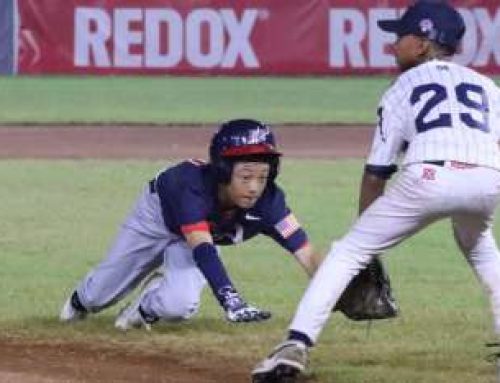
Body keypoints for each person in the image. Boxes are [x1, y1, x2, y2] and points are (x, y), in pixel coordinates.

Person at [251, 1, 500, 382]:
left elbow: (376, 173)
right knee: (481, 247)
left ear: (421, 43)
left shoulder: (402, 86)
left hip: (428, 177)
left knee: (348, 251)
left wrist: (366, 236)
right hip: (487, 178)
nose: (393, 44)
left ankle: (294, 346)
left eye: (400, 36)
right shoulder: (487, 86)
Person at [59, 119, 323, 330]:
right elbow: (203, 249)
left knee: (179, 305)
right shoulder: (191, 186)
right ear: (222, 169)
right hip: (156, 219)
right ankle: (77, 303)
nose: (254, 187)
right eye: (245, 176)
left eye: (263, 176)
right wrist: (231, 300)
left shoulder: (270, 202)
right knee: (98, 294)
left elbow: (306, 252)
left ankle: (145, 306)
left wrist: (338, 289)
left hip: (200, 238)